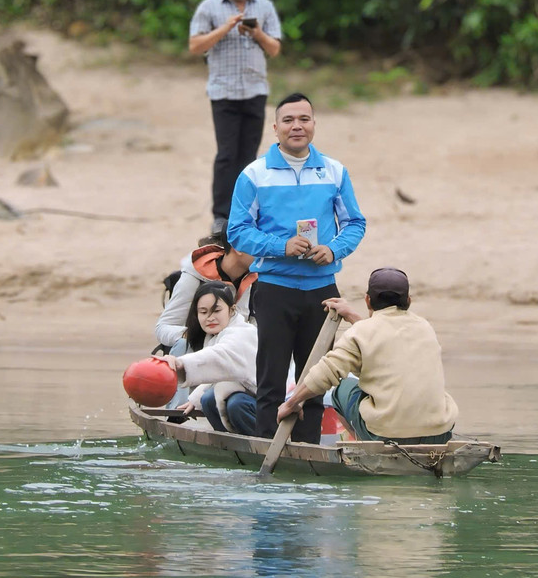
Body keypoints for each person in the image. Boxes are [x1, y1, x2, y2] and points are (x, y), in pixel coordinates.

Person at [227, 92, 366, 444]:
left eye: (304, 119)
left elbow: (355, 223)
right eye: (288, 120)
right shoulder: (254, 174)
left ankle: (307, 454)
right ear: (275, 128)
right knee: (271, 381)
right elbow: (238, 231)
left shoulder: (334, 171)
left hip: (322, 291)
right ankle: (266, 452)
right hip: (274, 288)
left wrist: (333, 250)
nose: (297, 126)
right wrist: (281, 246)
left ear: (314, 124)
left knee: (315, 381)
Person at [277, 267, 457, 445]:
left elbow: (325, 373)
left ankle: (365, 448)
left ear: (367, 301)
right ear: (409, 301)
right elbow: (384, 337)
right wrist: (352, 317)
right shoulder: (425, 327)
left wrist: (292, 402)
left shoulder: (361, 332)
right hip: (439, 433)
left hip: (386, 434)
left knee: (341, 388)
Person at [188, 0, 283, 233]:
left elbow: (275, 49)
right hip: (224, 92)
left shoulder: (264, 7)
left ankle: (246, 213)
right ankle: (221, 215)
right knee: (227, 155)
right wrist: (225, 28)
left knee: (249, 156)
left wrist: (256, 34)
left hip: (255, 90)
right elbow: (195, 46)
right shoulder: (209, 8)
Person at [155, 281, 260, 436]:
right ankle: (229, 446)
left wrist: (179, 362)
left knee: (236, 404)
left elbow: (219, 356)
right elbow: (220, 374)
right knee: (208, 399)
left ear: (232, 310)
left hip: (276, 403)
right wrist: (194, 400)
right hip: (250, 395)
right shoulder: (214, 337)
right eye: (203, 312)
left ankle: (262, 444)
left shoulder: (243, 333)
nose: (210, 318)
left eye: (216, 310)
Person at [154, 232, 257, 351]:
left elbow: (255, 329)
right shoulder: (195, 277)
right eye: (258, 246)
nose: (265, 252)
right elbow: (162, 328)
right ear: (237, 248)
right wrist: (197, 337)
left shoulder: (255, 280)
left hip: (232, 353)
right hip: (193, 355)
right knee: (182, 346)